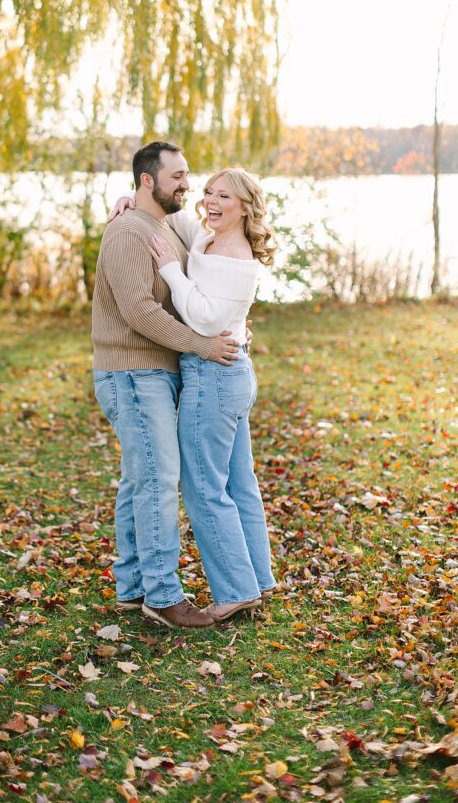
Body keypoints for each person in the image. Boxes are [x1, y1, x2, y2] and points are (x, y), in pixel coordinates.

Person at [110, 166, 277, 621]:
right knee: (239, 484)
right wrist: (131, 198)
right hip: (227, 373)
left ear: (246, 207)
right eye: (209, 192)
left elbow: (203, 319)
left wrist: (170, 269)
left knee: (204, 488)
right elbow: (171, 213)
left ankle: (236, 590)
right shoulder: (208, 236)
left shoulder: (237, 257)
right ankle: (257, 578)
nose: (211, 202)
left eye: (225, 196)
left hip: (214, 375)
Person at [91, 141, 243, 630]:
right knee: (157, 480)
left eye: (186, 174)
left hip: (154, 372)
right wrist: (201, 345)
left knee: (141, 479)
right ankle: (162, 595)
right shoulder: (127, 232)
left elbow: (202, 283)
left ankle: (133, 585)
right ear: (147, 180)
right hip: (132, 374)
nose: (187, 185)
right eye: (177, 176)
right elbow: (139, 311)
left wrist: (232, 327)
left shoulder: (164, 224)